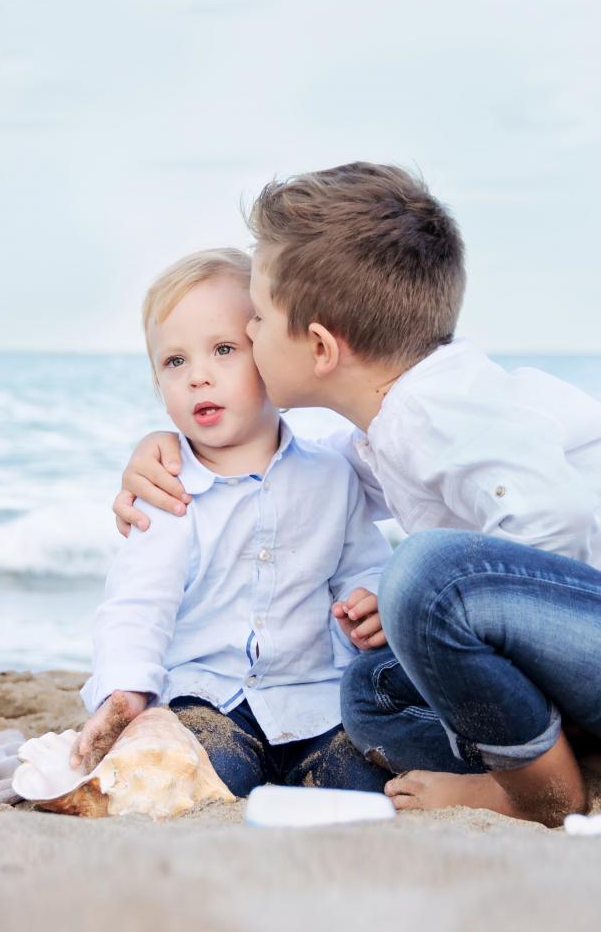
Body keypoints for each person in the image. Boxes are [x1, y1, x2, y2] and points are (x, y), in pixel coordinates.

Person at [114, 163, 601, 827]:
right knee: (370, 690)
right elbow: (299, 475)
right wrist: (164, 446)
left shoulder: (438, 413)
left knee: (426, 573)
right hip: (576, 648)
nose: (248, 336)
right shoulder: (392, 431)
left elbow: (559, 519)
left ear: (318, 347)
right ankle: (561, 757)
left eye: (257, 320)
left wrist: (442, 606)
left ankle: (544, 792)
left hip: (584, 634)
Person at [71, 247, 390, 798]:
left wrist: (370, 600)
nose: (198, 377)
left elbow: (363, 565)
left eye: (223, 350)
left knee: (358, 779)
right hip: (205, 699)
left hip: (313, 699)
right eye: (174, 362)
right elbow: (136, 604)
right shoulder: (168, 489)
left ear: (270, 355)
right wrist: (125, 690)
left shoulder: (331, 476)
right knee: (203, 771)